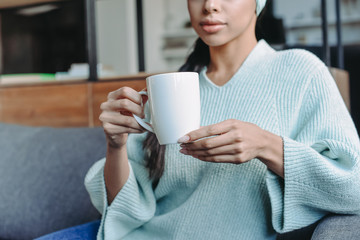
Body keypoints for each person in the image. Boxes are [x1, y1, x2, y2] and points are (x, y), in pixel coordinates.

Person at [84, 0, 360, 239]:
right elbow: (125, 208)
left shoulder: (300, 71)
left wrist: (266, 145)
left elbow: (353, 188)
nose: (209, 5)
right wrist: (115, 145)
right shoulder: (172, 89)